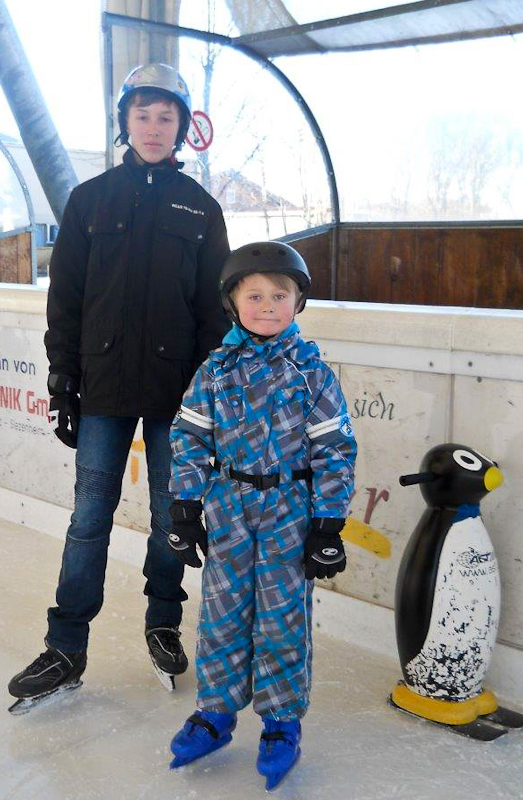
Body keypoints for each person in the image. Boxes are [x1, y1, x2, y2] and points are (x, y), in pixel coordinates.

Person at [7, 63, 230, 712]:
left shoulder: (202, 210)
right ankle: (66, 646)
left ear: (183, 126)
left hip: (176, 394)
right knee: (87, 520)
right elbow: (67, 300)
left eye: (167, 117)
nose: (154, 128)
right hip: (101, 386)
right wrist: (62, 379)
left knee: (171, 518)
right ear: (124, 122)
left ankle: (163, 621)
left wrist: (208, 401)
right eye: (143, 115)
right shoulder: (90, 200)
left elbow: (214, 316)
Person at [165, 241, 357, 789]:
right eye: (255, 295)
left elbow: (335, 449)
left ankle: (280, 720)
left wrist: (327, 523)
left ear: (298, 303)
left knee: (281, 618)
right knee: (222, 612)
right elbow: (189, 437)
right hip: (228, 505)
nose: (268, 305)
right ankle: (216, 713)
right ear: (233, 303)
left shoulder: (312, 374)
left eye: (280, 295)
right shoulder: (215, 371)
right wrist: (184, 507)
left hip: (289, 512)